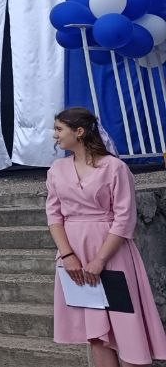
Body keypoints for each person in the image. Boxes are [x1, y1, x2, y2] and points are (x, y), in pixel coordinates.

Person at [47, 108, 166, 366]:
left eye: (59, 129)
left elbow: (125, 218)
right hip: (74, 256)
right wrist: (67, 255)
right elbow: (54, 216)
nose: (55, 135)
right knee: (95, 333)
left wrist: (100, 260)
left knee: (127, 324)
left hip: (112, 254)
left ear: (79, 132)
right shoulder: (56, 169)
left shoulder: (115, 168)